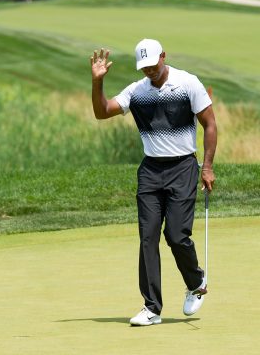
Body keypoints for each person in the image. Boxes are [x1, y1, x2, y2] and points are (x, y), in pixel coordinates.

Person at [90, 40, 217, 326]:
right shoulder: (137, 91)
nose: (149, 70)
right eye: (144, 67)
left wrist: (206, 167)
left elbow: (210, 124)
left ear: (163, 56)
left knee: (175, 235)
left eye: (153, 64)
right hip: (150, 171)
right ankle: (152, 307)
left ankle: (196, 282)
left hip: (183, 166)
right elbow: (102, 111)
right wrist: (98, 83)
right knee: (147, 238)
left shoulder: (188, 83)